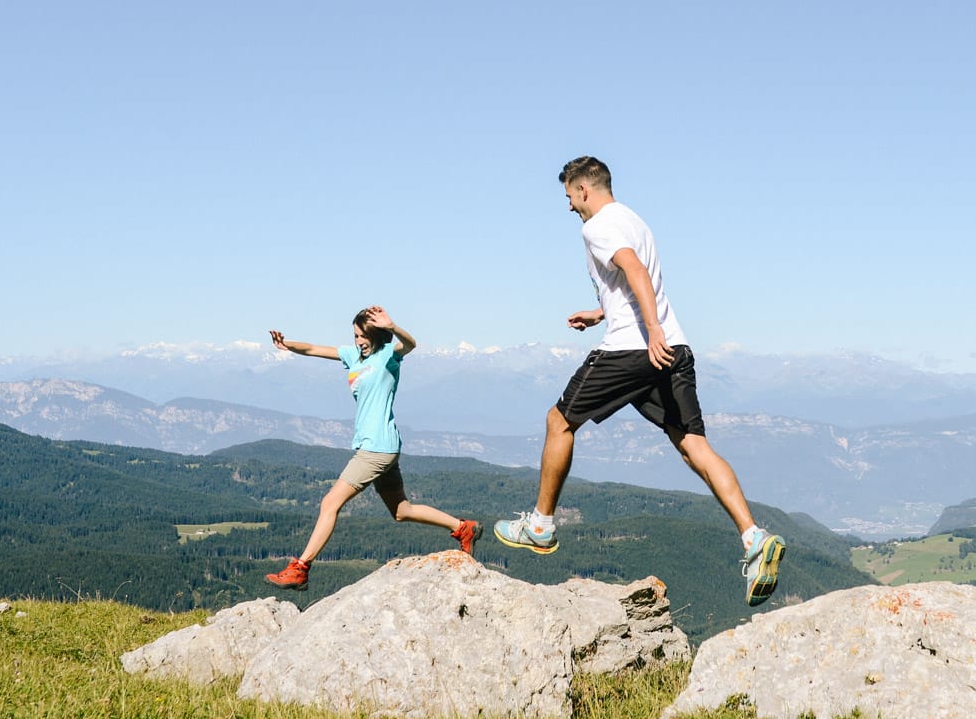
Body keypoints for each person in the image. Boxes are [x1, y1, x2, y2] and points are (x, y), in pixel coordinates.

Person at [493, 157, 786, 606]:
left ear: (584, 189)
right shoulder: (635, 220)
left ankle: (540, 525)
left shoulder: (598, 226)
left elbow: (634, 270)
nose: (569, 206)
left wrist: (650, 331)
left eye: (569, 196)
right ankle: (754, 539)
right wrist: (600, 312)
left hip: (636, 348)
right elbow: (631, 283)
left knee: (559, 421)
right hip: (675, 349)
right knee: (696, 448)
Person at [263, 306, 480, 591]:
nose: (357, 341)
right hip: (382, 446)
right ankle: (463, 527)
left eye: (362, 336)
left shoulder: (389, 357)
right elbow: (315, 348)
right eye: (355, 336)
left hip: (376, 450)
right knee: (402, 510)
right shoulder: (355, 356)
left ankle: (300, 568)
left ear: (377, 335)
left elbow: (411, 344)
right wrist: (287, 344)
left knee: (330, 503)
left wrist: (394, 326)